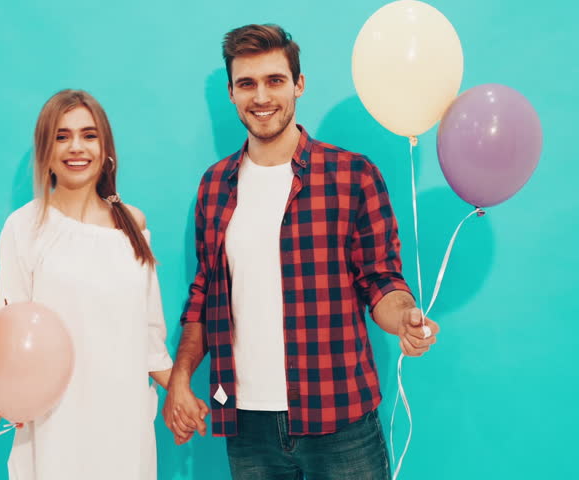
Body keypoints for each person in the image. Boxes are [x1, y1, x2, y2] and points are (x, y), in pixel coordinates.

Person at [162, 24, 440, 480]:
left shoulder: (353, 175)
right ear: (231, 93)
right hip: (246, 425)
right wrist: (180, 376)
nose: (261, 96)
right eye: (247, 84)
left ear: (299, 84)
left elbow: (381, 281)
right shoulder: (215, 186)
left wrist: (406, 317)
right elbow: (204, 294)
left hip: (340, 420)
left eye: (275, 80)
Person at [0, 89, 173, 480]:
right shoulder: (25, 228)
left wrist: (186, 394)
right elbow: (5, 343)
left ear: (106, 148)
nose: (76, 147)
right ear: (46, 151)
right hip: (53, 429)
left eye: (89, 135)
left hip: (124, 427)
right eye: (61, 136)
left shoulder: (133, 225)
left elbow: (150, 341)